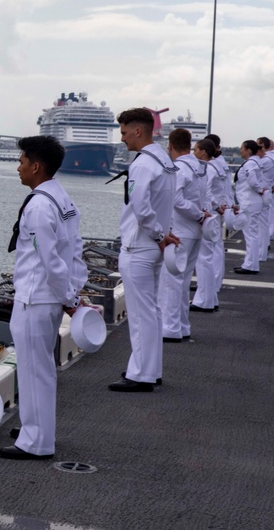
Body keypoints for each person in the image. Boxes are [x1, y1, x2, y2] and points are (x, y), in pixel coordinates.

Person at [0, 135, 86, 460]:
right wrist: (73, 292)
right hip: (48, 296)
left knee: (35, 371)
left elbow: (50, 259)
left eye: (21, 161)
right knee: (41, 370)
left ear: (36, 166)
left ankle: (36, 442)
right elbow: (74, 250)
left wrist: (71, 299)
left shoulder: (37, 207)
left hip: (35, 297)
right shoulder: (62, 199)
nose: (18, 167)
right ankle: (37, 429)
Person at [109, 108, 178, 393]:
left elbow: (140, 208)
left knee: (140, 314)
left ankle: (141, 375)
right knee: (152, 312)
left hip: (139, 246)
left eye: (124, 132)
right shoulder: (165, 160)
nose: (122, 138)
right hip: (155, 247)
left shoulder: (142, 164)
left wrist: (159, 233)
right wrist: (163, 232)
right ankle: (150, 369)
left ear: (138, 131)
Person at [159, 129, 210, 342]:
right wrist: (203, 216)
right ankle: (181, 325)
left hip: (179, 231)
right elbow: (205, 197)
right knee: (183, 279)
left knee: (171, 281)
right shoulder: (200, 168)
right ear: (189, 145)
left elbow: (177, 201)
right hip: (195, 232)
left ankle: (170, 328)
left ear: (170, 146)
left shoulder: (179, 168)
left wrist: (198, 215)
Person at [190, 138, 224, 313]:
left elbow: (207, 192)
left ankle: (204, 300)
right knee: (207, 257)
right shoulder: (213, 167)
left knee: (203, 259)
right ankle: (211, 298)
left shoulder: (206, 169)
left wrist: (209, 208)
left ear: (203, 152)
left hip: (207, 216)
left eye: (196, 150)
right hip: (212, 215)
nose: (194, 153)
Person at [233, 140, 266, 275]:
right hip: (251, 202)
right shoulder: (254, 162)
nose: (240, 150)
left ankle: (250, 265)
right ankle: (250, 263)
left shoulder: (251, 163)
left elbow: (252, 181)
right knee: (252, 234)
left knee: (250, 235)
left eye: (242, 148)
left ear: (248, 150)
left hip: (250, 202)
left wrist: (259, 189)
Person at [256, 137, 274, 256]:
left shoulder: (265, 160)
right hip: (268, 191)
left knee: (261, 223)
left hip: (263, 192)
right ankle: (264, 245)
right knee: (267, 220)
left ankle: (262, 249)